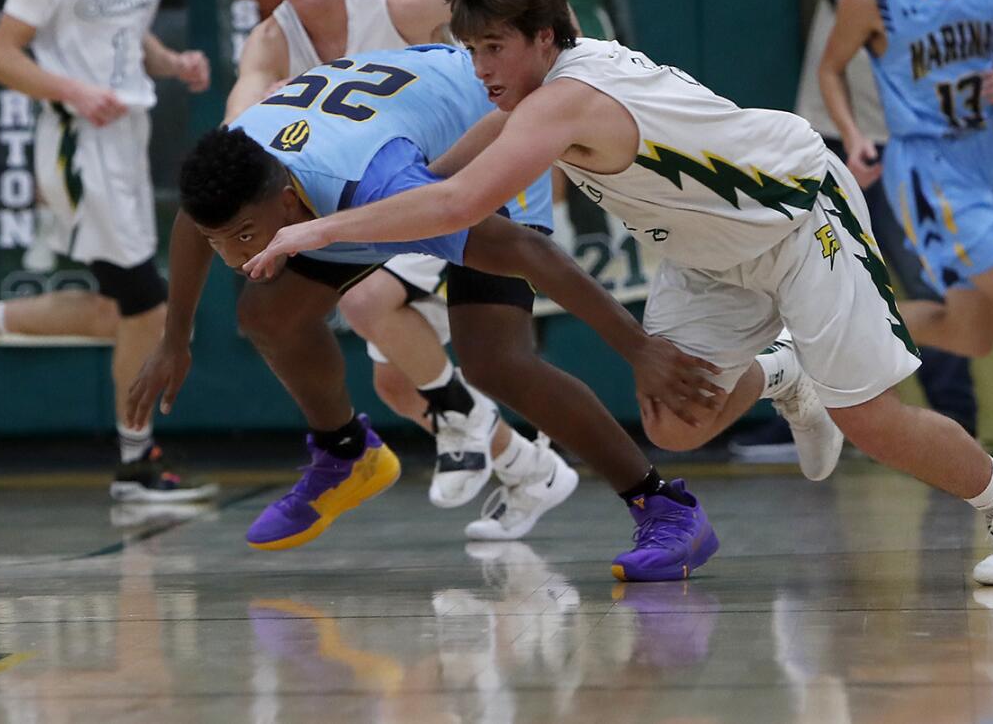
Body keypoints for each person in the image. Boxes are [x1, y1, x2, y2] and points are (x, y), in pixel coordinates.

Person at [246, 0, 993, 585]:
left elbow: (457, 205)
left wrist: (311, 232)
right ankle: (784, 374)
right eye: (471, 49)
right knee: (676, 420)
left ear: (543, 36)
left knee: (872, 421)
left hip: (798, 212)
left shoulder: (567, 99)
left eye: (494, 47)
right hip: (708, 256)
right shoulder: (537, 89)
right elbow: (455, 170)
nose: (481, 67)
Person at [128, 44, 726, 580]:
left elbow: (530, 253)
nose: (234, 256)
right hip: (366, 145)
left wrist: (639, 349)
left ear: (286, 204)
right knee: (267, 313)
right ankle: (345, 454)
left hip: (472, 146)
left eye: (244, 236)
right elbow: (193, 220)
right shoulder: (238, 170)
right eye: (223, 242)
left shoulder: (376, 184)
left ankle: (665, 507)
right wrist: (174, 337)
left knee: (495, 361)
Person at [222, 0, 568, 533]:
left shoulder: (403, 1)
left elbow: (523, 8)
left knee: (368, 300)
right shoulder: (271, 43)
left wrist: (553, 97)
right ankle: (525, 467)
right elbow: (235, 130)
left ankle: (467, 417)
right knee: (396, 386)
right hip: (385, 193)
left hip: (471, 171)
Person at [817, 0, 993, 493]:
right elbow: (831, 69)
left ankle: (821, 333)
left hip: (980, 159)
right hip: (926, 172)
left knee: (971, 332)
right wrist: (853, 135)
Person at [0, 0, 216, 502]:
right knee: (145, 303)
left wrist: (172, 63)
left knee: (127, 314)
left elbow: (129, 32)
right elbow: (0, 56)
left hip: (128, 137)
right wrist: (76, 91)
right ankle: (134, 466)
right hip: (77, 143)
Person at [732, 0, 979, 462]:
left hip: (906, 144)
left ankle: (954, 423)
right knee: (805, 279)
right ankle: (804, 406)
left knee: (926, 285)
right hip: (827, 132)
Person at [444, 0, 615, 251]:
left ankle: (599, 232)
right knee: (542, 132)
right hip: (525, 21)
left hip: (578, 19)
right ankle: (559, 231)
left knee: (566, 129)